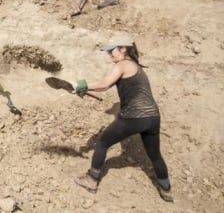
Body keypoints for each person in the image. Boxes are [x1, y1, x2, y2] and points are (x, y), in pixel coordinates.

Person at [72, 34, 173, 202]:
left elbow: (105, 84)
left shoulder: (123, 64)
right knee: (155, 155)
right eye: (108, 51)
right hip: (153, 117)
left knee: (103, 142)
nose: (110, 54)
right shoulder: (136, 66)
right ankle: (166, 190)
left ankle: (91, 179)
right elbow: (107, 87)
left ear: (123, 49)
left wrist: (82, 84)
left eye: (112, 50)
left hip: (134, 117)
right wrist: (84, 89)